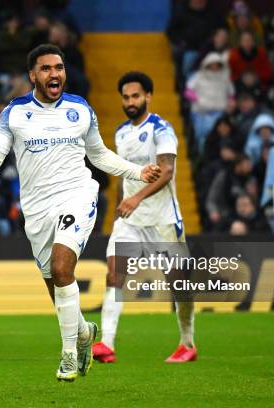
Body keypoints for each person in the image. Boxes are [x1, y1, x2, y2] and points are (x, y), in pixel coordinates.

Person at [0, 44, 162, 381]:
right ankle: (84, 333)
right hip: (37, 209)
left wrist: (135, 171)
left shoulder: (80, 108)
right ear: (32, 75)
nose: (54, 74)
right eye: (46, 68)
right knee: (55, 284)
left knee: (61, 267)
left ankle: (69, 355)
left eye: (59, 67)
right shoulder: (13, 113)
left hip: (77, 195)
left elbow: (98, 155)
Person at [91, 71, 195, 364]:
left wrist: (136, 198)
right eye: (125, 97)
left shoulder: (162, 129)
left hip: (162, 221)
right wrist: (122, 208)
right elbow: (126, 177)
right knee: (114, 274)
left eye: (135, 96)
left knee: (180, 286)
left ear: (148, 96)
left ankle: (187, 343)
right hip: (131, 222)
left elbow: (167, 171)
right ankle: (107, 344)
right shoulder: (121, 133)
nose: (130, 101)